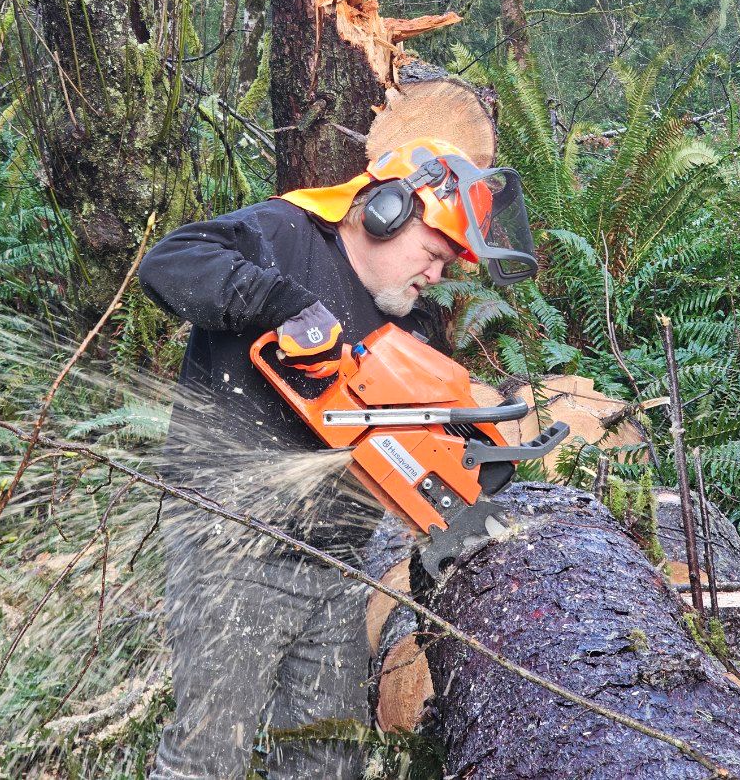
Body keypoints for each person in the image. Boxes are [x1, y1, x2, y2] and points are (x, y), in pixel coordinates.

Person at [138, 137, 537, 780]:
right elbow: (168, 262)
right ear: (383, 211)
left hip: (335, 564)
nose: (436, 275)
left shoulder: (408, 327)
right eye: (434, 254)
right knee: (209, 755)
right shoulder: (283, 235)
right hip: (231, 550)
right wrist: (281, 305)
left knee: (326, 757)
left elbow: (406, 450)